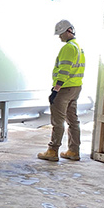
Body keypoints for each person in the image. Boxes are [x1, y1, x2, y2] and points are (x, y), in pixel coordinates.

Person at [38, 19, 85, 161]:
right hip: (75, 88)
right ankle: (73, 151)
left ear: (69, 31)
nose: (59, 37)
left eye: (61, 34)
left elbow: (64, 70)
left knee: (58, 121)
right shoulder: (78, 47)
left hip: (64, 88)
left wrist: (55, 89)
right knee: (73, 120)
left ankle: (52, 151)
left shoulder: (68, 48)